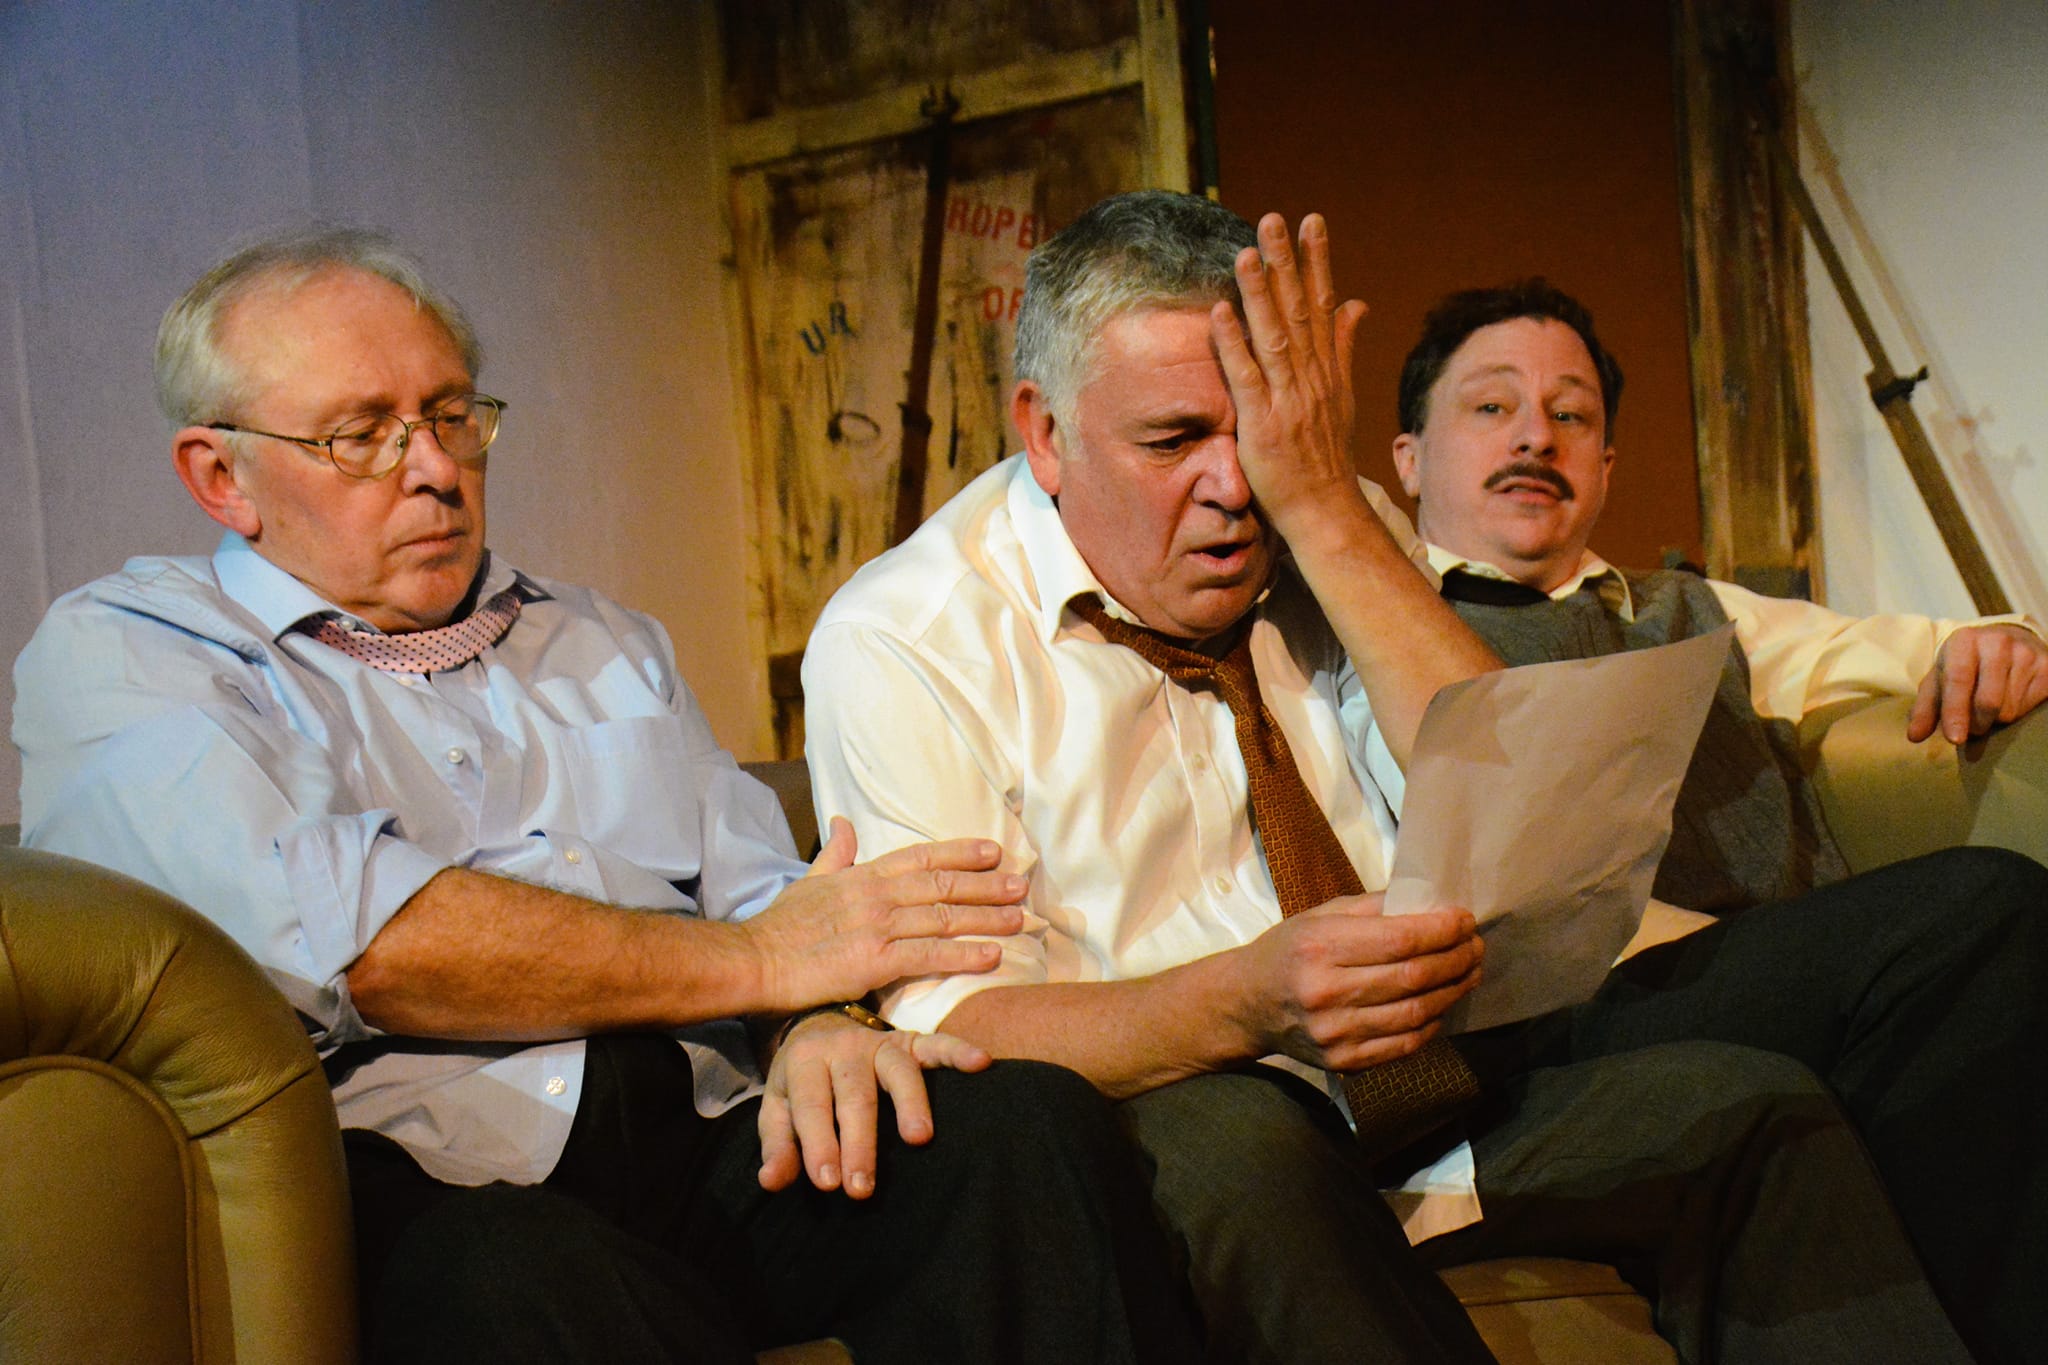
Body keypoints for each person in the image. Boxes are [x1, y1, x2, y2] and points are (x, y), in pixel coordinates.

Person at [805, 190, 2047, 1364]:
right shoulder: (908, 639)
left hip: (1465, 1037)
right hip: (1201, 1088)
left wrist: (1322, 509)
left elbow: (1527, 822)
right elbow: (950, 1021)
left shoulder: (1320, 513)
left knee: (1965, 920)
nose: (1232, 487)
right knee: (1231, 1139)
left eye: (1257, 433)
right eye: (1174, 441)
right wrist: (1240, 1002)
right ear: (1043, 432)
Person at [10, 227, 1202, 1365]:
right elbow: (371, 945)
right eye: (361, 436)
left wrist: (816, 1028)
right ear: (221, 475)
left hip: (705, 1142)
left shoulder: (601, 640)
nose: (435, 470)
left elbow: (775, 897)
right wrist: (761, 967)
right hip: (422, 1182)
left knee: (1018, 1130)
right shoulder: (133, 653)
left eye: (451, 415)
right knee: (521, 1278)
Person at [1390, 277, 2048, 913]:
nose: (1538, 437)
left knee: (1995, 889)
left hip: (1789, 952)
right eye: (1491, 407)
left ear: (1605, 469)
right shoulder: (1373, 635)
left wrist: (2003, 643)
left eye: (1570, 415)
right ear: (1410, 460)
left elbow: (1926, 648)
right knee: (1995, 896)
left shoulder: (1694, 610)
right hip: (1580, 979)